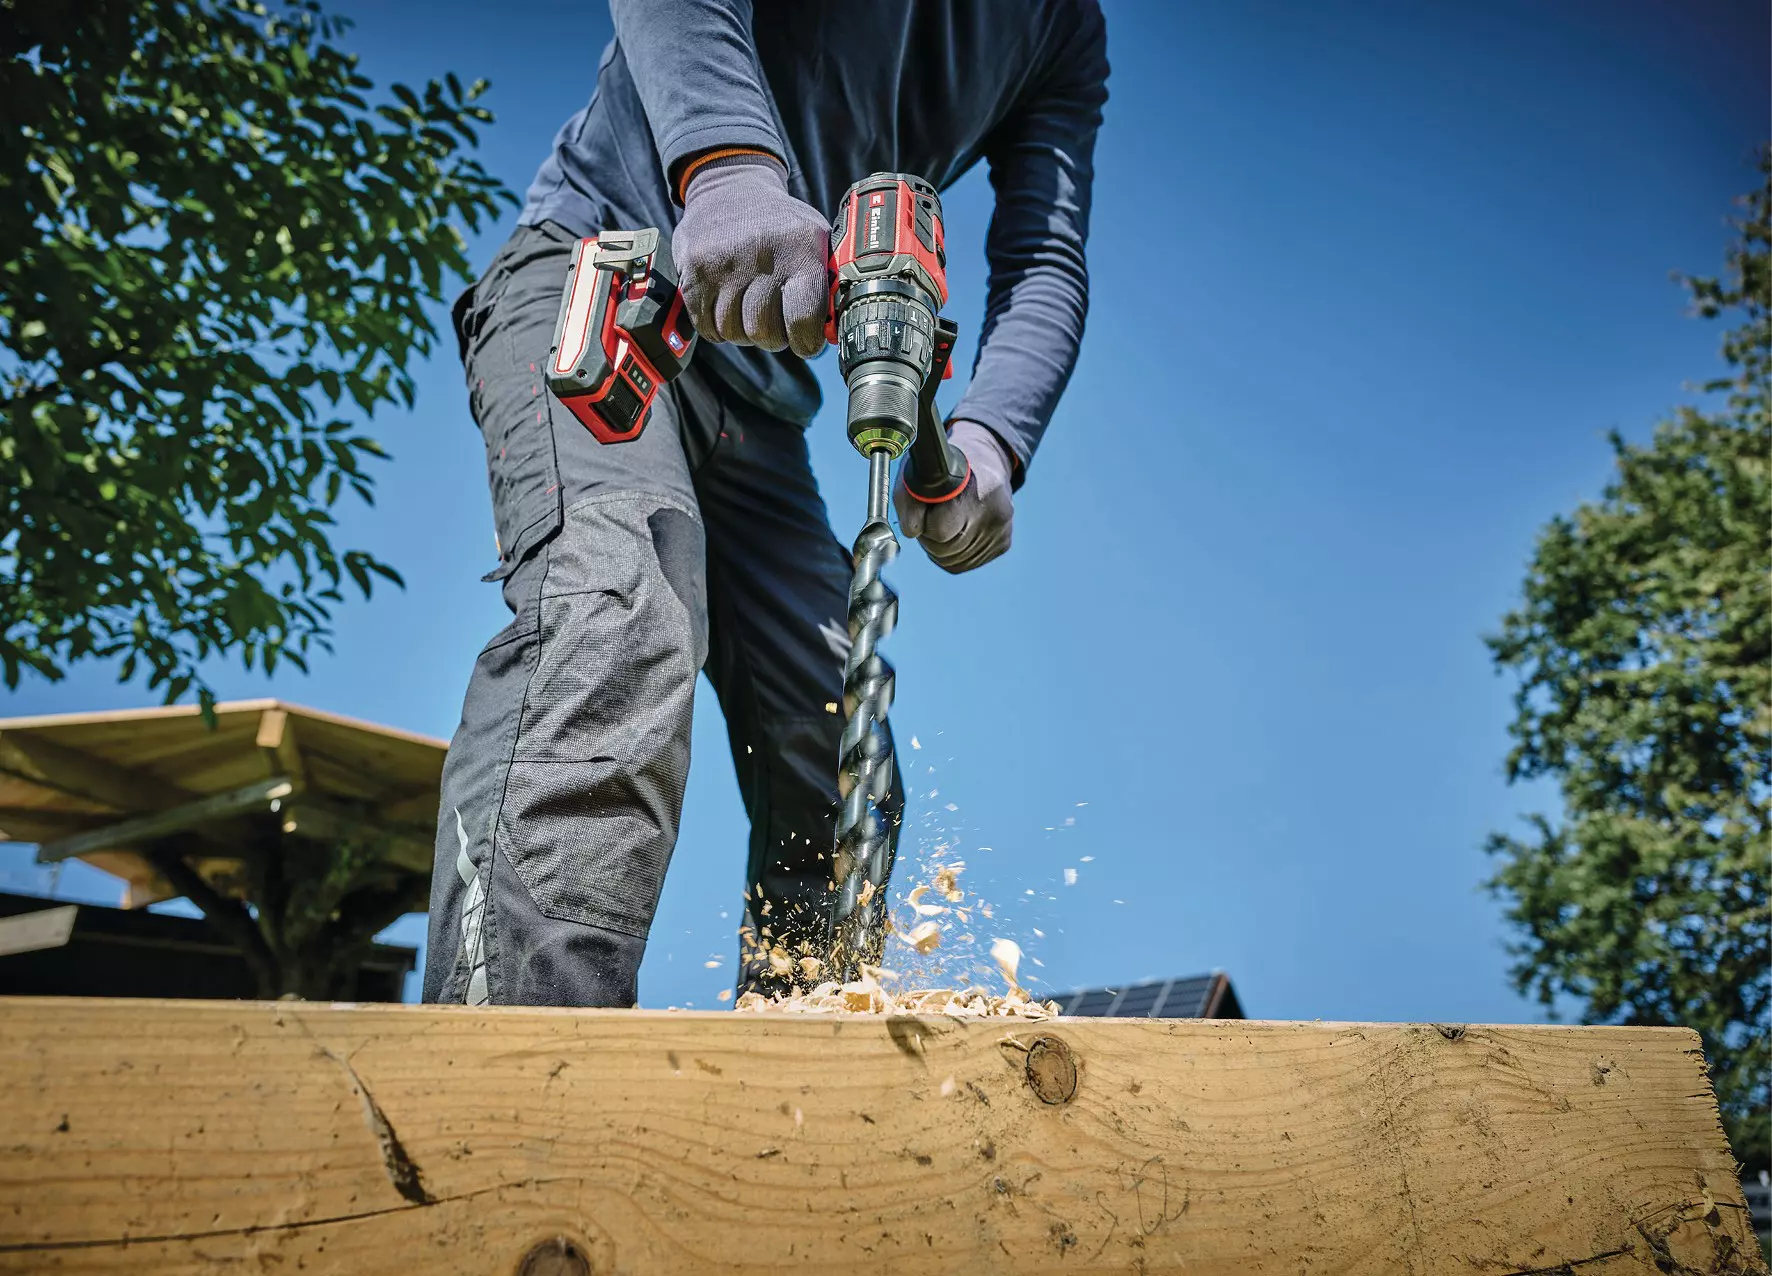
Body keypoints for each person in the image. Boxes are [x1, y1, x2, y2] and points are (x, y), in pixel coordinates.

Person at [424, 0, 1108, 1008]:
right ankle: (506, 1088)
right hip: (605, 280)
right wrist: (730, 172)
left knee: (840, 748)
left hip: (755, 395)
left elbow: (1042, 257)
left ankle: (791, 1091)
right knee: (615, 621)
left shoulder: (1060, 27)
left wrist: (988, 437)